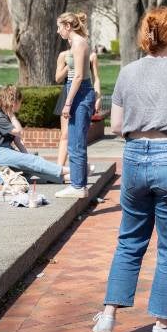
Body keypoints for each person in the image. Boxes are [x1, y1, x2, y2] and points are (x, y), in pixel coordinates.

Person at [92, 7, 167, 332]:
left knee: (129, 240)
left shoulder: (127, 74)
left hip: (133, 157)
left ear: (144, 37)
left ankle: (109, 315)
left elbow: (115, 126)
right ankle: (163, 325)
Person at [0, 85, 70, 182]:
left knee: (31, 164)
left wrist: (27, 157)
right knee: (33, 161)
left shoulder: (6, 116)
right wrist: (12, 116)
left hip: (5, 151)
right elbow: (19, 132)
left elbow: (17, 139)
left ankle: (69, 177)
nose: (21, 105)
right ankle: (74, 171)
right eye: (20, 102)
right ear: (14, 102)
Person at [54, 11, 97, 198]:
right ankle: (79, 185)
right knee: (74, 142)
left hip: (80, 92)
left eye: (59, 27)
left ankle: (78, 186)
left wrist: (67, 103)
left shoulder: (79, 43)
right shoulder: (77, 43)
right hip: (77, 91)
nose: (58, 31)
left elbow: (79, 76)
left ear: (68, 26)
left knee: (76, 143)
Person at [54, 47, 102, 179]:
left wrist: (98, 97)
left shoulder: (91, 56)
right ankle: (58, 170)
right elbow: (58, 78)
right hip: (67, 93)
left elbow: (96, 78)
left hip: (83, 94)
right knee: (65, 134)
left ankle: (78, 169)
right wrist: (70, 65)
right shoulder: (63, 54)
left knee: (79, 134)